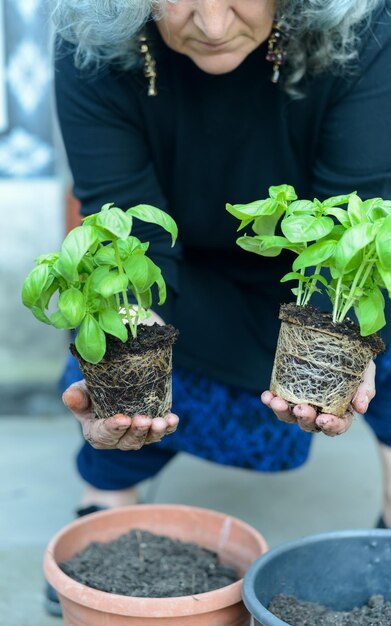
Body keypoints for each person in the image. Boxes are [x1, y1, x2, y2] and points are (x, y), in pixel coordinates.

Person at [46, 0, 391, 614]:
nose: (212, 26)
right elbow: (122, 223)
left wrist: (340, 337)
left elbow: (357, 208)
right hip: (188, 275)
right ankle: (108, 503)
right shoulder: (92, 39)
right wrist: (123, 360)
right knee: (121, 346)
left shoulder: (362, 25)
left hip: (316, 273)